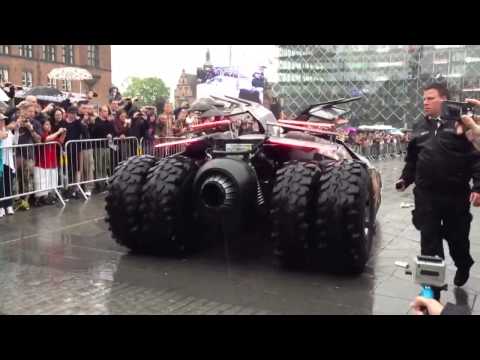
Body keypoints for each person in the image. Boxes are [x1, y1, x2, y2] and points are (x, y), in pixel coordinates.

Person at [397, 83, 480, 296]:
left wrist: (478, 186)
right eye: (424, 98)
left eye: (430, 98)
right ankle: (433, 290)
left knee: (457, 239)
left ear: (444, 99)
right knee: (430, 242)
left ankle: (463, 264)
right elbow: (413, 160)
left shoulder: (462, 124)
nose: (425, 102)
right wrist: (404, 179)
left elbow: (476, 159)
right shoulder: (419, 125)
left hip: (455, 196)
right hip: (426, 196)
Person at [14, 101, 42, 211]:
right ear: (23, 111)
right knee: (16, 179)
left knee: (27, 178)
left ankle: (26, 201)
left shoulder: (35, 123)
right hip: (16, 154)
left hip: (29, 155)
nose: (31, 113)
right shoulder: (16, 120)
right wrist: (17, 124)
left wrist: (31, 129)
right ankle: (17, 201)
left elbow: (39, 140)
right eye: (28, 111)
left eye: (32, 111)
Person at [32, 120, 66, 206]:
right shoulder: (42, 134)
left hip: (52, 162)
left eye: (49, 124)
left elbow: (60, 141)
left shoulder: (52, 134)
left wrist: (63, 133)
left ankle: (48, 198)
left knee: (51, 181)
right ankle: (39, 199)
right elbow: (46, 139)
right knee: (41, 182)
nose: (49, 125)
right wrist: (58, 132)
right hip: (42, 163)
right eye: (46, 124)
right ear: (42, 126)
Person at [91, 105, 115, 191]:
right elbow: (94, 132)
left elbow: (113, 131)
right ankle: (99, 184)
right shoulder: (96, 121)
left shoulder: (109, 122)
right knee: (99, 165)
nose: (106, 113)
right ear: (100, 112)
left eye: (107, 111)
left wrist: (111, 135)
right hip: (98, 147)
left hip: (107, 146)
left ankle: (104, 181)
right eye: (104, 111)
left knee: (105, 165)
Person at [0, 113, 16, 217]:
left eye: (3, 120)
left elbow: (15, 142)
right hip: (1, 161)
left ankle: (8, 204)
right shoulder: (5, 131)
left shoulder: (8, 131)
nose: (2, 122)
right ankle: (1, 207)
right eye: (0, 120)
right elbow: (2, 137)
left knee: (8, 183)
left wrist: (17, 130)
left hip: (8, 161)